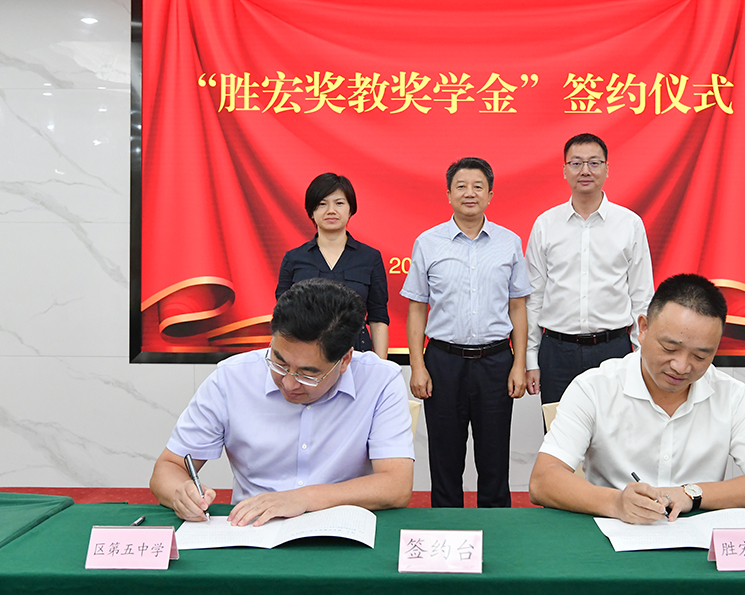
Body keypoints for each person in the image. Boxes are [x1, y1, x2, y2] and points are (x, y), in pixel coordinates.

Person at [528, 274, 745, 524]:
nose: (681, 366)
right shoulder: (594, 388)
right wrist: (616, 503)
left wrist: (692, 494)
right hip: (612, 533)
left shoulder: (730, 395)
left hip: (696, 540)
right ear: (643, 329)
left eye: (700, 356)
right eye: (669, 348)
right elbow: (543, 480)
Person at [150, 278, 414, 527]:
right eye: (279, 362)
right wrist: (180, 493)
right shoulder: (231, 378)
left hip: (341, 529)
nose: (288, 383)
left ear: (344, 360)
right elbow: (169, 467)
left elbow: (396, 485)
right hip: (253, 530)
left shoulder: (380, 380)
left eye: (308, 374)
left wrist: (303, 498)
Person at [401, 157, 530, 508]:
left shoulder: (509, 242)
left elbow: (518, 307)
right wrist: (417, 366)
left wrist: (519, 364)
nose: (469, 193)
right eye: (461, 186)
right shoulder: (428, 242)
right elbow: (417, 308)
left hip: (496, 362)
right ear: (448, 194)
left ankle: (498, 529)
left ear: (490, 195)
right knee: (445, 457)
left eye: (477, 186)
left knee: (494, 458)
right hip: (443, 361)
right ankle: (447, 529)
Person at [525, 133, 654, 405]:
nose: (585, 170)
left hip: (613, 351)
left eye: (594, 163)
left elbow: (642, 296)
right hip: (557, 353)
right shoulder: (546, 224)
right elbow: (534, 298)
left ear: (607, 169)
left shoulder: (629, 224)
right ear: (565, 170)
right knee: (559, 429)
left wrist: (641, 357)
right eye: (576, 163)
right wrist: (530, 358)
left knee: (614, 430)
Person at [276, 173, 390, 358]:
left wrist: (380, 366)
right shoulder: (294, 258)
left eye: (339, 203)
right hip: (305, 357)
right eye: (322, 204)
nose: (331, 210)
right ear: (311, 211)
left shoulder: (370, 257)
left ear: (351, 210)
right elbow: (282, 317)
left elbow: (378, 318)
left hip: (356, 355)